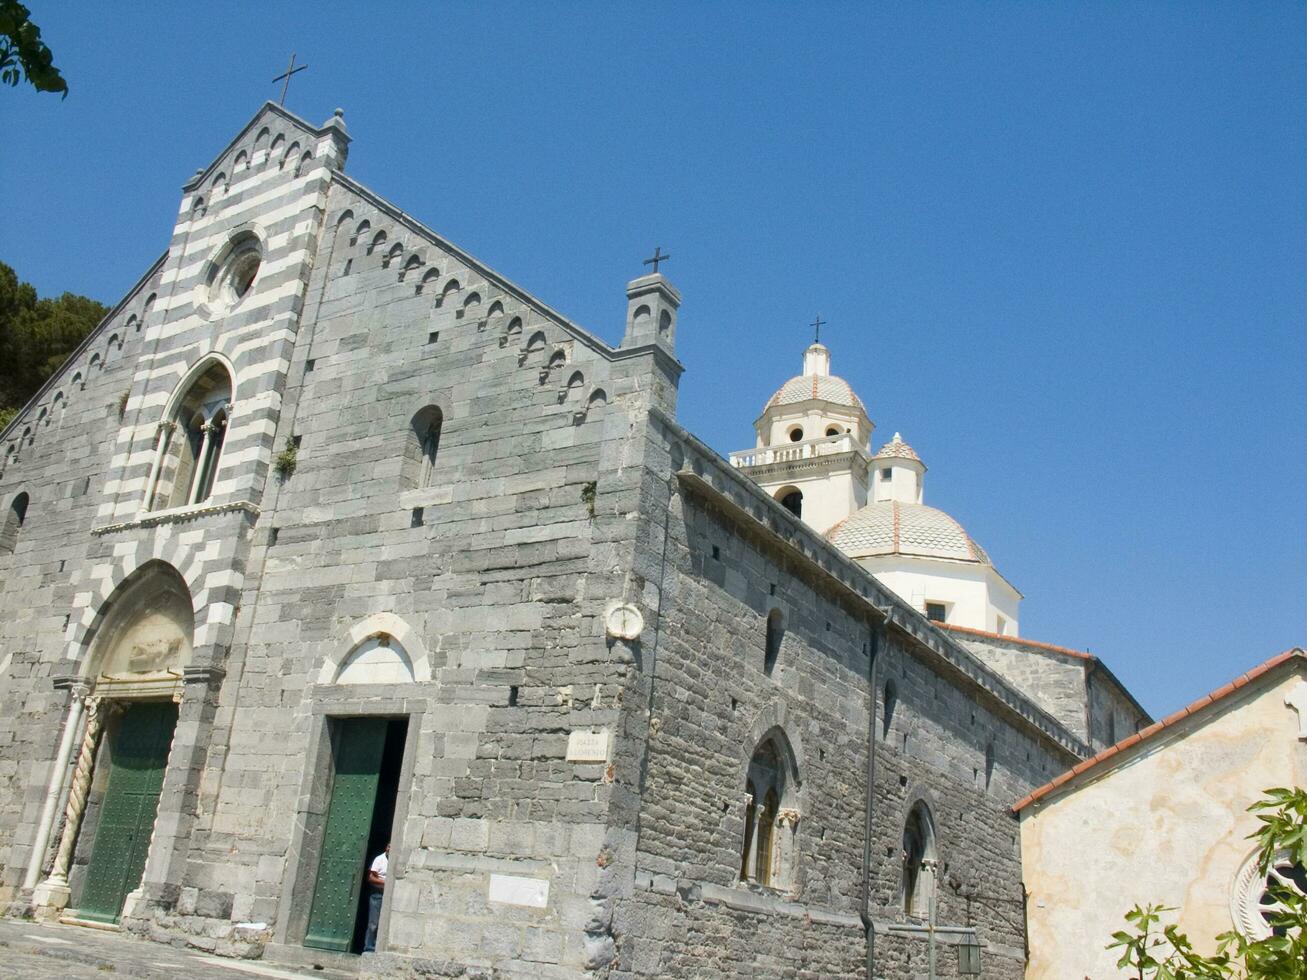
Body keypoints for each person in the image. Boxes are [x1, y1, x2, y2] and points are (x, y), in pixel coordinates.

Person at [363, 842, 389, 953]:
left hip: (389, 894)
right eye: (389, 847)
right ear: (386, 847)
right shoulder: (379, 859)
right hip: (377, 893)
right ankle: (369, 948)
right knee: (374, 922)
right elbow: (371, 878)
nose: (390, 849)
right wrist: (386, 882)